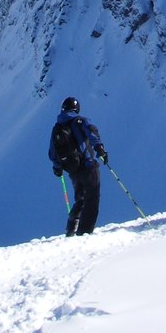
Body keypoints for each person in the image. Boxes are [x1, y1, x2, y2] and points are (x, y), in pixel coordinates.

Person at [48, 96, 108, 236]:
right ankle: (84, 232)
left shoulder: (57, 128)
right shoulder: (80, 121)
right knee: (92, 198)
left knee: (80, 199)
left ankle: (71, 228)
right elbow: (92, 132)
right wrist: (100, 149)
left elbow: (52, 151)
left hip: (73, 170)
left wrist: (57, 167)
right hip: (88, 166)